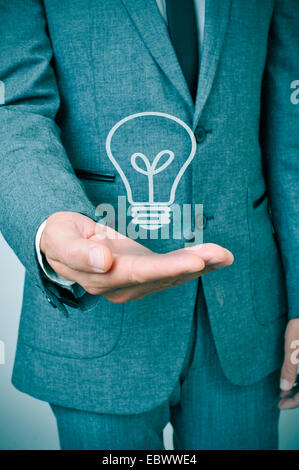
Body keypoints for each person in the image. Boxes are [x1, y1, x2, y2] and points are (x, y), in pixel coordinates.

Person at [0, 0, 298, 450]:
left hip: (245, 311)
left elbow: (290, 130)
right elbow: (14, 108)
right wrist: (52, 220)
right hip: (98, 321)